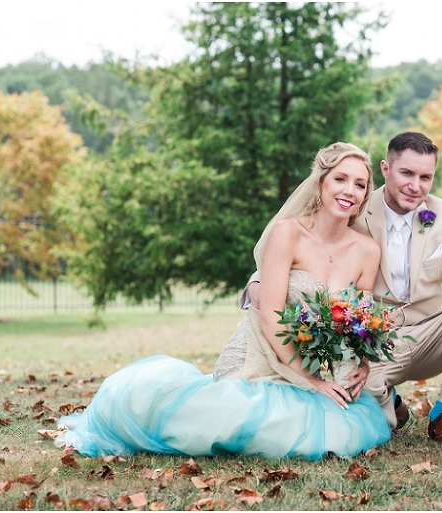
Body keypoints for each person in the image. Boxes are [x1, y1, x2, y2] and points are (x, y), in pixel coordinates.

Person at [56, 142, 391, 460]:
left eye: (360, 184)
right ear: (320, 183)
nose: (349, 190)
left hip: (318, 360)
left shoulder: (367, 250)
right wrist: (312, 382)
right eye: (340, 179)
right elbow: (270, 318)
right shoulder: (288, 233)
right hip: (261, 354)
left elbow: (355, 323)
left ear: (364, 196)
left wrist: (361, 362)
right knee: (232, 417)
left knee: (337, 425)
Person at [247, 132, 442, 446]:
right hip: (375, 342)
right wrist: (256, 282)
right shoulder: (352, 204)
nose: (415, 185)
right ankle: (393, 407)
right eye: (407, 173)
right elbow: (304, 250)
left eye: (425, 177)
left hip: (430, 333)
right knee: (371, 418)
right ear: (386, 169)